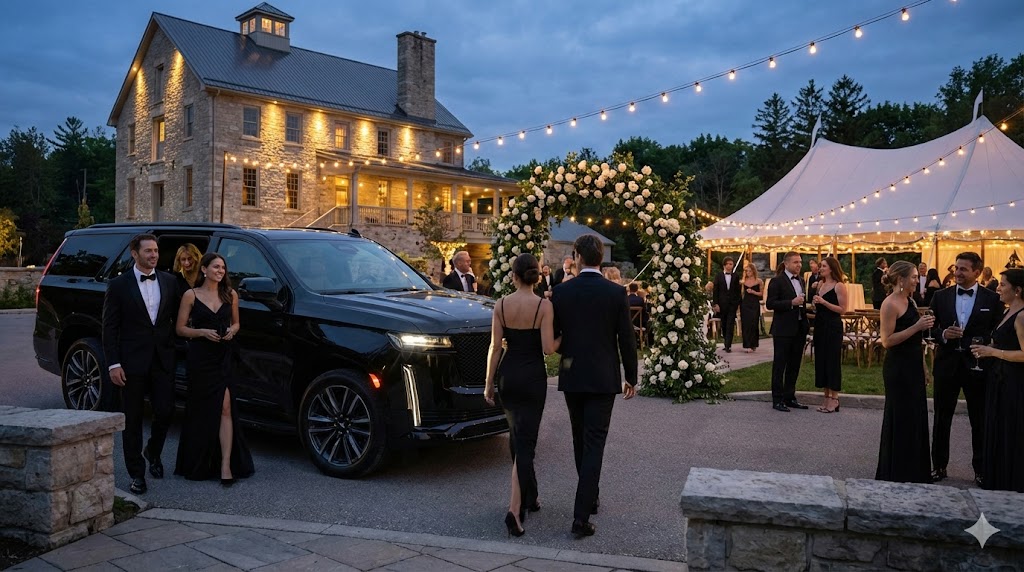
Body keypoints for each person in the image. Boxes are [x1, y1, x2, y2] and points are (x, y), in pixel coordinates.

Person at [551, 234, 637, 539]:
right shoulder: (615, 293)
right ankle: (581, 515)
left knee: (579, 439)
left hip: (573, 374)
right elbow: (626, 338)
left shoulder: (561, 292)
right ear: (600, 257)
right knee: (594, 443)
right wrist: (632, 376)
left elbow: (556, 339)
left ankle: (590, 496)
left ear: (576, 257)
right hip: (602, 376)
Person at [484, 253, 558, 537]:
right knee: (526, 442)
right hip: (532, 378)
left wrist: (488, 383)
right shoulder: (544, 306)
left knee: (518, 438)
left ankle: (531, 497)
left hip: (508, 376)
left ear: (513, 276)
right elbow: (549, 348)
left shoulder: (501, 304)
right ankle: (514, 510)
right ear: (537, 277)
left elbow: (495, 347)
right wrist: (565, 339)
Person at [101, 234, 179, 495]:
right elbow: (110, 328)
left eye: (156, 250)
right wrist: (113, 364)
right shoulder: (119, 285)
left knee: (166, 411)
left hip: (162, 360)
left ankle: (153, 452)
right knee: (132, 420)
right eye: (148, 251)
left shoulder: (169, 281)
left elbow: (177, 319)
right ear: (134, 254)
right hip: (131, 363)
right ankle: (136, 474)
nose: (154, 255)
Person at [174, 253, 254, 485]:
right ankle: (199, 461)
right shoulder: (191, 295)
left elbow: (237, 322)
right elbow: (180, 329)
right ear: (204, 270)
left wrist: (233, 331)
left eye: (223, 268)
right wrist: (201, 332)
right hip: (200, 358)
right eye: (216, 267)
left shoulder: (230, 294)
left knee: (226, 407)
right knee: (203, 411)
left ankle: (226, 464)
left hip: (224, 355)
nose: (221, 271)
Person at [929, 252, 1003, 485]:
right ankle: (939, 466)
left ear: (977, 272)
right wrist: (943, 334)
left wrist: (986, 343)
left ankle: (981, 470)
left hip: (978, 367)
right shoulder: (940, 296)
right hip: (947, 365)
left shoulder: (992, 300)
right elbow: (929, 329)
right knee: (941, 417)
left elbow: (998, 332)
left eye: (963, 269)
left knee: (979, 420)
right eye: (956, 268)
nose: (957, 273)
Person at [875, 261, 935, 483]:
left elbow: (916, 342)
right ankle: (896, 471)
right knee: (900, 417)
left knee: (915, 417)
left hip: (913, 366)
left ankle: (915, 471)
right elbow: (886, 341)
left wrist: (924, 367)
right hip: (898, 369)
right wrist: (917, 326)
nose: (916, 280)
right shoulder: (889, 304)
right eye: (912, 277)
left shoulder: (909, 300)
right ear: (900, 279)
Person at [971, 268, 1024, 492]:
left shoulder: (1022, 316)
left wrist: (993, 353)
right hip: (1000, 380)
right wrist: (990, 348)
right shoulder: (1008, 311)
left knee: (1011, 433)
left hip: (1014, 383)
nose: (998, 288)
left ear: (1018, 290)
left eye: (1002, 284)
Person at [765, 251, 809, 412]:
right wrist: (791, 302)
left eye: (800, 262)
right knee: (780, 365)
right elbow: (770, 304)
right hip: (783, 329)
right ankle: (777, 399)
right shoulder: (777, 281)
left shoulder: (802, 280)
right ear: (786, 264)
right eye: (796, 262)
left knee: (794, 364)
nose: (799, 265)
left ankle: (790, 396)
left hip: (799, 328)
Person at [811, 257, 848, 413]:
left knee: (832, 361)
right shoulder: (820, 284)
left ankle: (835, 398)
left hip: (833, 326)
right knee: (822, 361)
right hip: (820, 325)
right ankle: (826, 396)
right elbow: (817, 307)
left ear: (832, 268)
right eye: (820, 266)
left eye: (824, 266)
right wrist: (815, 304)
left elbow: (843, 309)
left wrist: (824, 302)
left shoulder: (839, 286)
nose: (821, 269)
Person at [712, 257, 742, 353]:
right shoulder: (718, 276)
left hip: (732, 304)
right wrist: (715, 304)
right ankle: (726, 341)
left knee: (730, 324)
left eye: (731, 264)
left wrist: (737, 303)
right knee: (724, 324)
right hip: (722, 304)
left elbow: (738, 291)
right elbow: (715, 291)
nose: (730, 266)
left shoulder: (735, 276)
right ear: (724, 265)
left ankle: (728, 345)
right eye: (728, 264)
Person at [739, 263, 762, 353]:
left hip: (754, 304)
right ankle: (747, 344)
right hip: (745, 304)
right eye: (746, 271)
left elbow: (761, 294)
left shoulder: (759, 281)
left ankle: (753, 344)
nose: (748, 272)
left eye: (749, 271)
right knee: (746, 324)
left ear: (753, 271)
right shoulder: (743, 281)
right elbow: (741, 294)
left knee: (754, 323)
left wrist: (753, 292)